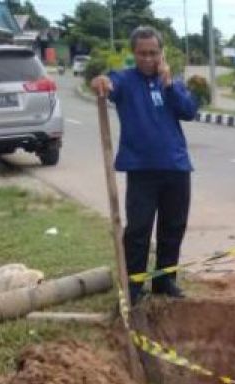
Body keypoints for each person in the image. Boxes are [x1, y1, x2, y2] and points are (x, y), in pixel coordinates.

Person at [91, 26, 199, 302]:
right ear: (134, 54)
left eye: (153, 53)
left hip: (176, 167)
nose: (148, 59)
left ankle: (164, 282)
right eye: (142, 53)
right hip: (142, 170)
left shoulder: (171, 82)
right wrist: (102, 81)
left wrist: (169, 84)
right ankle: (134, 287)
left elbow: (189, 111)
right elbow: (109, 83)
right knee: (138, 230)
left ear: (161, 54)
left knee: (173, 228)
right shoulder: (126, 80)